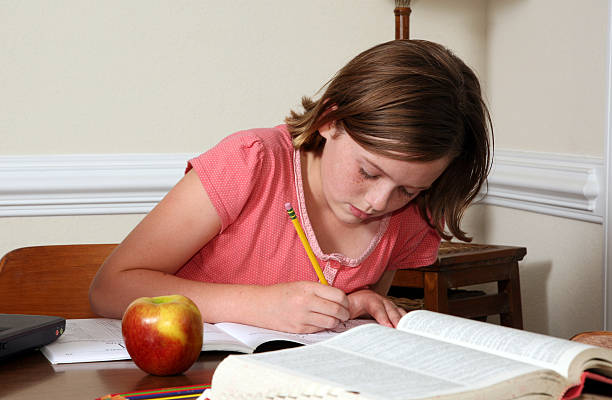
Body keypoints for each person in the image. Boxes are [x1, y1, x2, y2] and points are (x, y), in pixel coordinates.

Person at [89, 39, 492, 333]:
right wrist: (259, 306)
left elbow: (316, 317)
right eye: (369, 172)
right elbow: (110, 289)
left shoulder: (413, 216)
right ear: (330, 119)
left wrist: (345, 307)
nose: (378, 202)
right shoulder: (252, 162)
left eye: (409, 189)